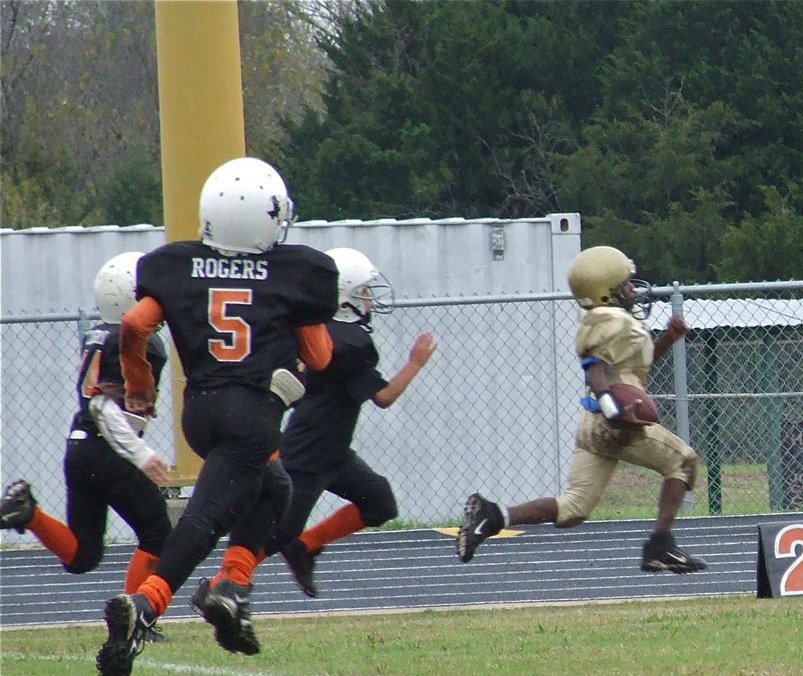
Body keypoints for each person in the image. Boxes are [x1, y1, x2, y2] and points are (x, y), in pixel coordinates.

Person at [95, 156, 339, 676]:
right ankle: (147, 606)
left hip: (199, 410)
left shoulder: (176, 264)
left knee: (273, 487)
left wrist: (139, 384)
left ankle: (231, 588)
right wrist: (295, 352)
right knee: (204, 519)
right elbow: (319, 358)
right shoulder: (297, 271)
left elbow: (135, 323)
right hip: (249, 414)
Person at [189, 247, 437, 602]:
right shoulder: (352, 342)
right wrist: (415, 363)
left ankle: (306, 546)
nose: (368, 299)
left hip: (332, 450)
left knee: (379, 502)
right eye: (363, 292)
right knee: (278, 534)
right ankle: (216, 587)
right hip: (309, 454)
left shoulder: (328, 334)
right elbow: (383, 397)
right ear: (346, 298)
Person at [456, 245, 707, 574]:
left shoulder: (612, 321)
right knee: (683, 461)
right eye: (626, 284)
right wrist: (614, 411)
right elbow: (595, 370)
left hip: (593, 422)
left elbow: (630, 373)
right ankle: (660, 546)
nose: (633, 289)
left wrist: (669, 338)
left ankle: (493, 516)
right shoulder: (612, 322)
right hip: (614, 423)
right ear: (607, 293)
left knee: (573, 507)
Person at [0, 252, 173, 608]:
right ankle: (136, 614)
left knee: (83, 554)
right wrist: (140, 454)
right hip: (109, 449)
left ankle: (28, 513)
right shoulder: (141, 342)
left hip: (78, 447)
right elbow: (105, 407)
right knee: (159, 533)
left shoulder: (97, 336)